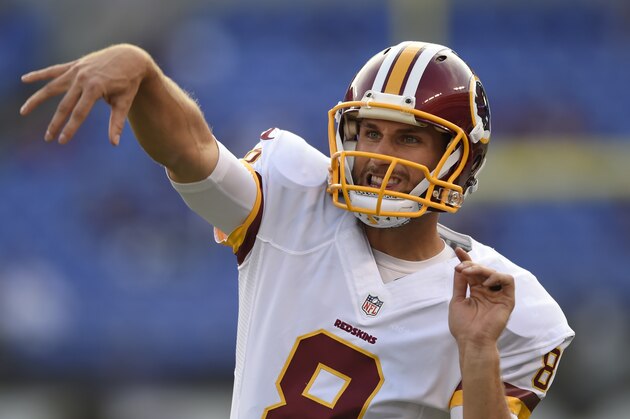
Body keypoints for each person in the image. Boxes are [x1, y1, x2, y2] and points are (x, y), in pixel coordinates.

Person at [20, 41, 574, 418]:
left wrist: (478, 350)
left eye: (407, 139)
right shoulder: (294, 193)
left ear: (459, 161)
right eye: (368, 133)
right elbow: (191, 152)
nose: (378, 155)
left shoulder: (506, 308)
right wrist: (144, 73)